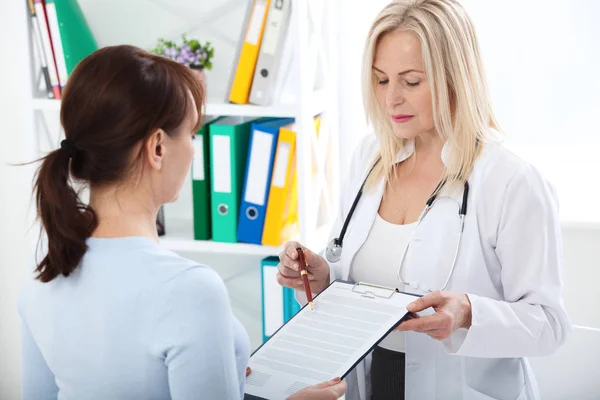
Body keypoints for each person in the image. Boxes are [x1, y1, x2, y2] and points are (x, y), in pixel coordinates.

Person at [276, 0, 571, 399]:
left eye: (411, 82)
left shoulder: (512, 182)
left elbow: (549, 325)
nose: (391, 99)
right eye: (381, 80)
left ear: (456, 78)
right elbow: (350, 281)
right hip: (374, 380)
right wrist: (319, 277)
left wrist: (469, 313)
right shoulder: (371, 157)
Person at [18, 45, 346, 400]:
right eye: (191, 134)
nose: (193, 149)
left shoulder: (42, 283)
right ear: (157, 147)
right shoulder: (189, 290)